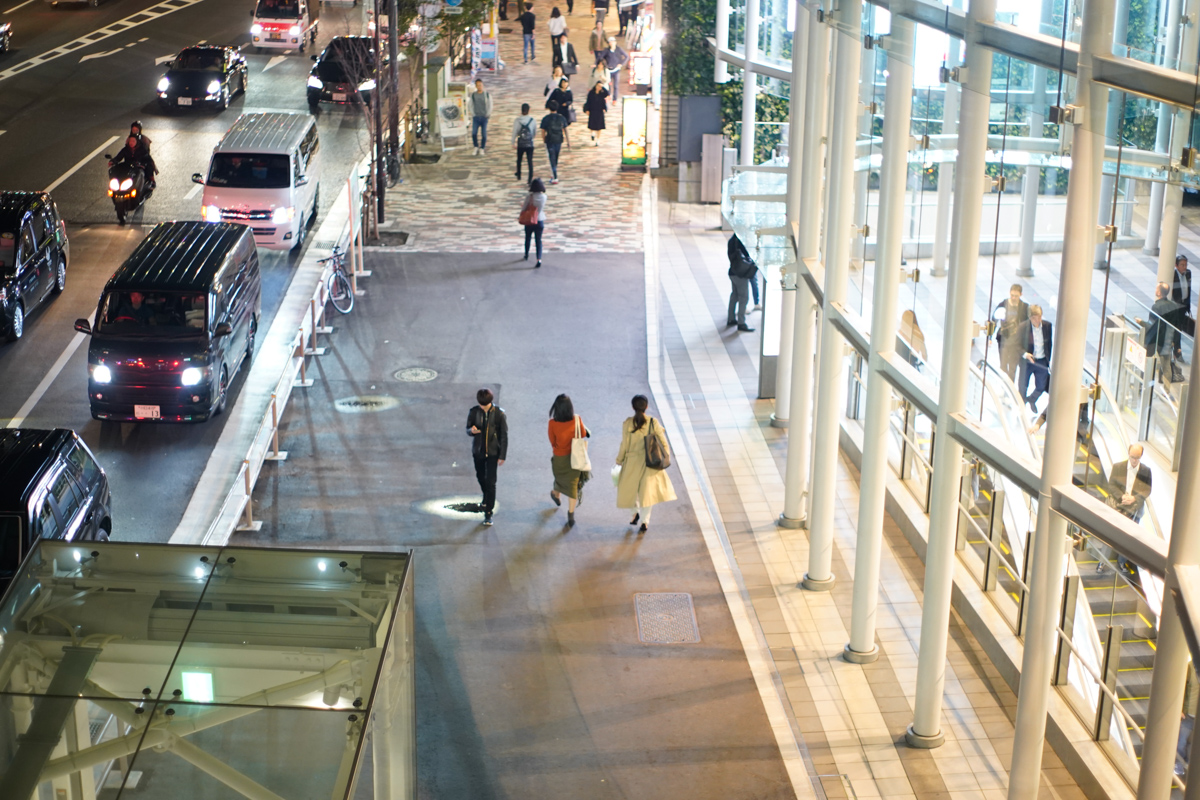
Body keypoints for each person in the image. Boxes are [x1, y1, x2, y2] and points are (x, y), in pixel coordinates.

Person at [616, 395, 676, 534]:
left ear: (633, 407)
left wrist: (619, 460)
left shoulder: (627, 423)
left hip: (632, 461)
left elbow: (624, 445)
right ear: (647, 407)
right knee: (647, 493)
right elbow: (664, 442)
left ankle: (634, 513)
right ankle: (645, 521)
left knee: (629, 489)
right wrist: (664, 458)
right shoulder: (653, 422)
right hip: (650, 462)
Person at [547, 394, 590, 529]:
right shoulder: (577, 419)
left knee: (559, 479)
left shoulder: (552, 424)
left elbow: (552, 442)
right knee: (572, 485)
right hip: (574, 458)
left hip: (559, 458)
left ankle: (556, 494)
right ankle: (571, 515)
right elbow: (583, 434)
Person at [466, 388, 507, 526]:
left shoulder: (499, 414)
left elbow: (504, 435)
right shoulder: (474, 412)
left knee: (491, 482)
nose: (483, 407)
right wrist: (471, 431)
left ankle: (488, 512)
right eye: (481, 404)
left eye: (485, 405)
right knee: (480, 476)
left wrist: (502, 455)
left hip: (493, 452)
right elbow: (467, 428)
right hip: (478, 451)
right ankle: (486, 496)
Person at [1142, 282, 1186, 395]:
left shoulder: (1156, 307)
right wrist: (1176, 344)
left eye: (1156, 288)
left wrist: (1141, 322)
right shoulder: (1173, 306)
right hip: (1167, 340)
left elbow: (1151, 325)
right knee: (1166, 366)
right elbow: (1176, 326)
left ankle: (1142, 384)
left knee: (1146, 362)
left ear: (1159, 292)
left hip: (1154, 340)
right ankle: (1166, 390)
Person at [994, 283, 1030, 382]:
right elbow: (994, 318)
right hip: (1004, 340)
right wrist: (990, 337)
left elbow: (1028, 324)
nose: (1013, 298)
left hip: (1016, 342)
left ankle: (1010, 385)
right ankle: (1003, 385)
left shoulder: (1024, 307)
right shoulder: (1003, 304)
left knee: (1012, 368)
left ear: (1021, 295)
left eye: (1016, 296)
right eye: (1012, 295)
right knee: (1003, 365)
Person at [1020, 304, 1052, 410]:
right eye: (1034, 318)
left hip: (1042, 361)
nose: (1037, 320)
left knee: (1041, 385)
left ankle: (1032, 399)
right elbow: (1016, 345)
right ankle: (1022, 406)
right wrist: (1025, 354)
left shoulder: (1047, 326)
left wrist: (1048, 360)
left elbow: (1049, 343)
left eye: (1039, 317)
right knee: (1023, 386)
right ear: (1030, 317)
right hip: (1028, 362)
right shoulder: (1023, 327)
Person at [726, 233, 756, 332]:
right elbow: (748, 255)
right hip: (740, 274)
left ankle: (731, 318)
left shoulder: (731, 241)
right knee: (744, 298)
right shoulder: (741, 242)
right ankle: (741, 323)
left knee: (734, 295)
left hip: (732, 271)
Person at [520, 178, 547, 267]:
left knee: (528, 238)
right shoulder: (544, 197)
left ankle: (526, 255)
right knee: (538, 240)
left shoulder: (530, 197)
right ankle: (539, 259)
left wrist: (521, 213)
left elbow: (524, 207)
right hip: (539, 220)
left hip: (530, 220)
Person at [540, 100, 567, 184]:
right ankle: (553, 173)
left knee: (552, 158)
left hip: (549, 140)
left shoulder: (546, 118)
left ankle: (555, 176)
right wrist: (568, 141)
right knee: (556, 157)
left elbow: (543, 131)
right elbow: (565, 129)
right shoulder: (561, 117)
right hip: (558, 139)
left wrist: (544, 140)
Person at [128, 121, 158, 189]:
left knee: (149, 166)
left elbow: (145, 151)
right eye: (133, 130)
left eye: (136, 130)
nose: (135, 131)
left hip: (142, 158)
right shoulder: (129, 138)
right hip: (132, 158)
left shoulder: (144, 139)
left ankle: (152, 181)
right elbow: (125, 149)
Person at [468, 79, 493, 156]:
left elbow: (490, 105)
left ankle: (482, 148)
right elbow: (470, 105)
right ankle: (476, 146)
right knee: (474, 133)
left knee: (484, 134)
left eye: (480, 85)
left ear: (482, 85)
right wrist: (473, 114)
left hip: (484, 117)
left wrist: (488, 114)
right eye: (478, 85)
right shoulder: (473, 95)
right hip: (476, 117)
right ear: (476, 86)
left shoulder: (487, 95)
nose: (479, 86)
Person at [1172, 254, 1195, 336]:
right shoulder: (1173, 275)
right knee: (1176, 327)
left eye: (1186, 265)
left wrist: (1188, 306)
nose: (1185, 267)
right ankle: (1176, 342)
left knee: (1181, 326)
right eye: (1182, 265)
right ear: (1176, 266)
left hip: (1184, 305)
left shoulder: (1188, 273)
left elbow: (1189, 289)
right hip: (1176, 306)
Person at [513, 103, 537, 180]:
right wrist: (531, 138)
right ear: (529, 110)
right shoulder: (532, 120)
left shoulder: (517, 120)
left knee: (519, 159)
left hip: (521, 143)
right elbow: (534, 132)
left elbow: (515, 132)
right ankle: (530, 178)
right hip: (530, 143)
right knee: (530, 161)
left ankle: (519, 174)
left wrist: (513, 142)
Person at [547, 77, 574, 145]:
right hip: (558, 110)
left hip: (565, 111)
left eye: (566, 83)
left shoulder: (569, 92)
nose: (564, 84)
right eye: (563, 83)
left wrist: (567, 103)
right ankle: (559, 134)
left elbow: (571, 100)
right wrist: (548, 105)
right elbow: (551, 99)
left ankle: (564, 136)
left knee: (564, 124)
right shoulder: (557, 91)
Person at [583, 80, 609, 145]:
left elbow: (607, 94)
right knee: (592, 124)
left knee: (599, 126)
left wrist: (603, 87)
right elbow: (588, 101)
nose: (599, 87)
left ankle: (598, 139)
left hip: (600, 111)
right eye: (598, 86)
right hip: (592, 110)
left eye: (600, 87)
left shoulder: (602, 93)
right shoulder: (591, 93)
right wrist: (587, 109)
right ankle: (592, 133)